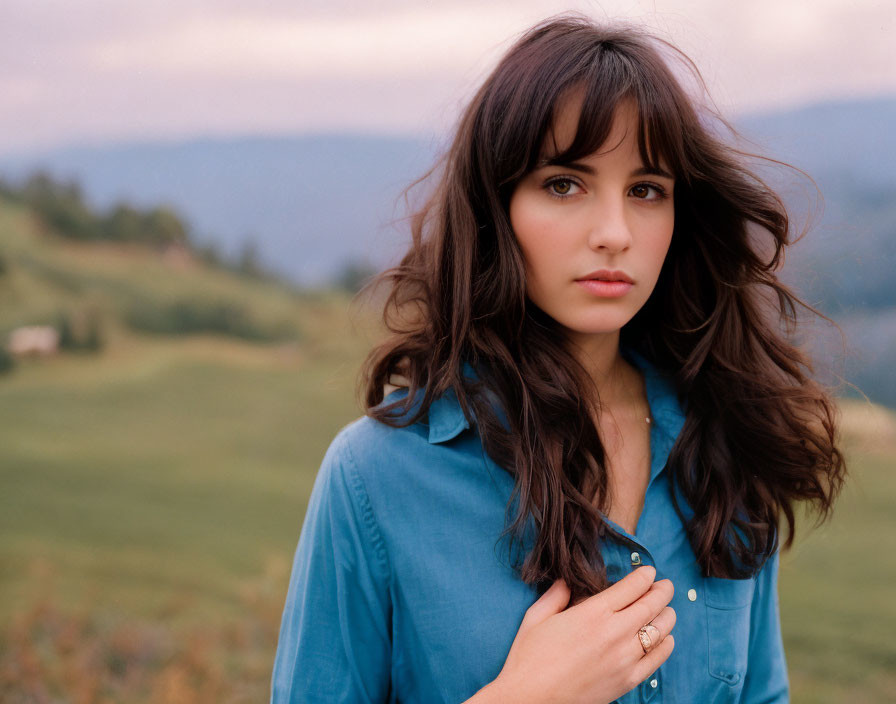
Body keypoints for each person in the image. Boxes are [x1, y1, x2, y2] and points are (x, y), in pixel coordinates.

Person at [270, 13, 846, 704]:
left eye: (646, 190)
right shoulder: (376, 479)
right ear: (495, 208)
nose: (614, 233)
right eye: (565, 184)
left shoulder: (720, 443)